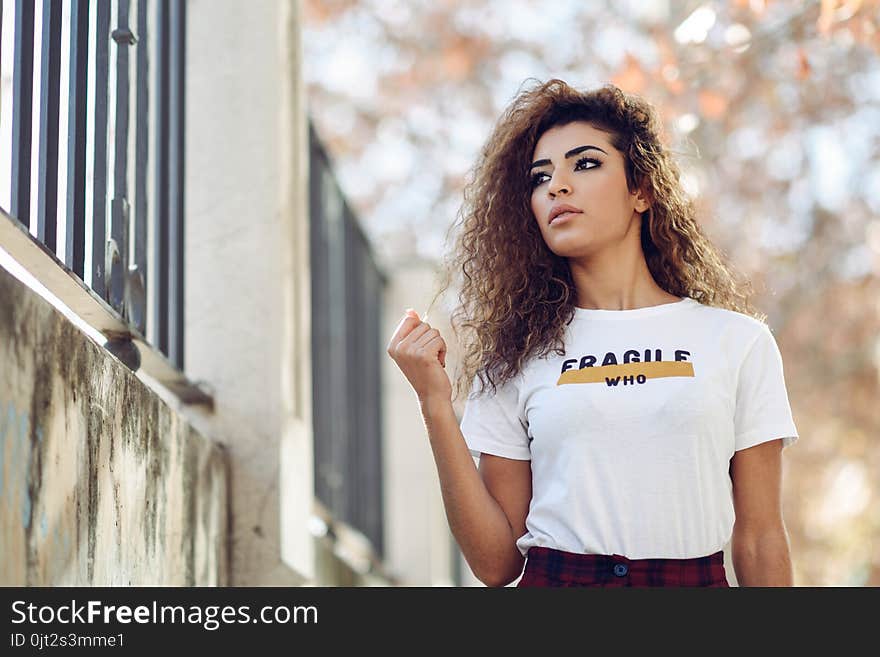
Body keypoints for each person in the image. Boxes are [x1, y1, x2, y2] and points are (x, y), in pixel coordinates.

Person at [386, 79, 799, 587]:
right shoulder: (515, 358)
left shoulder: (737, 342)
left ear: (641, 191)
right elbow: (496, 564)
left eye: (584, 164)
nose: (557, 186)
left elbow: (759, 538)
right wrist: (433, 402)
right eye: (541, 178)